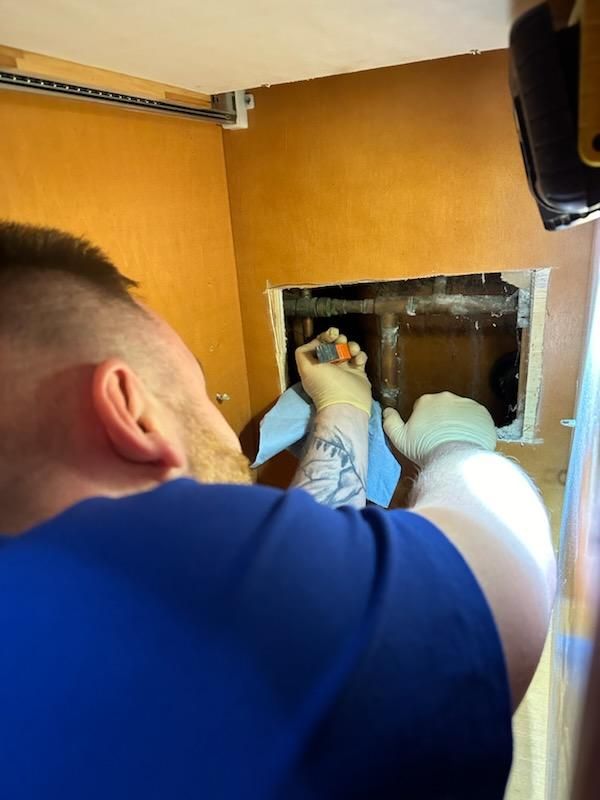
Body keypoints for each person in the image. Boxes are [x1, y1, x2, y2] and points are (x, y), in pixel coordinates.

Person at [0, 220, 555, 800]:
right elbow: (509, 577)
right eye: (197, 391)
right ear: (131, 412)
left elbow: (300, 582)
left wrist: (342, 402)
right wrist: (456, 446)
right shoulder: (151, 573)